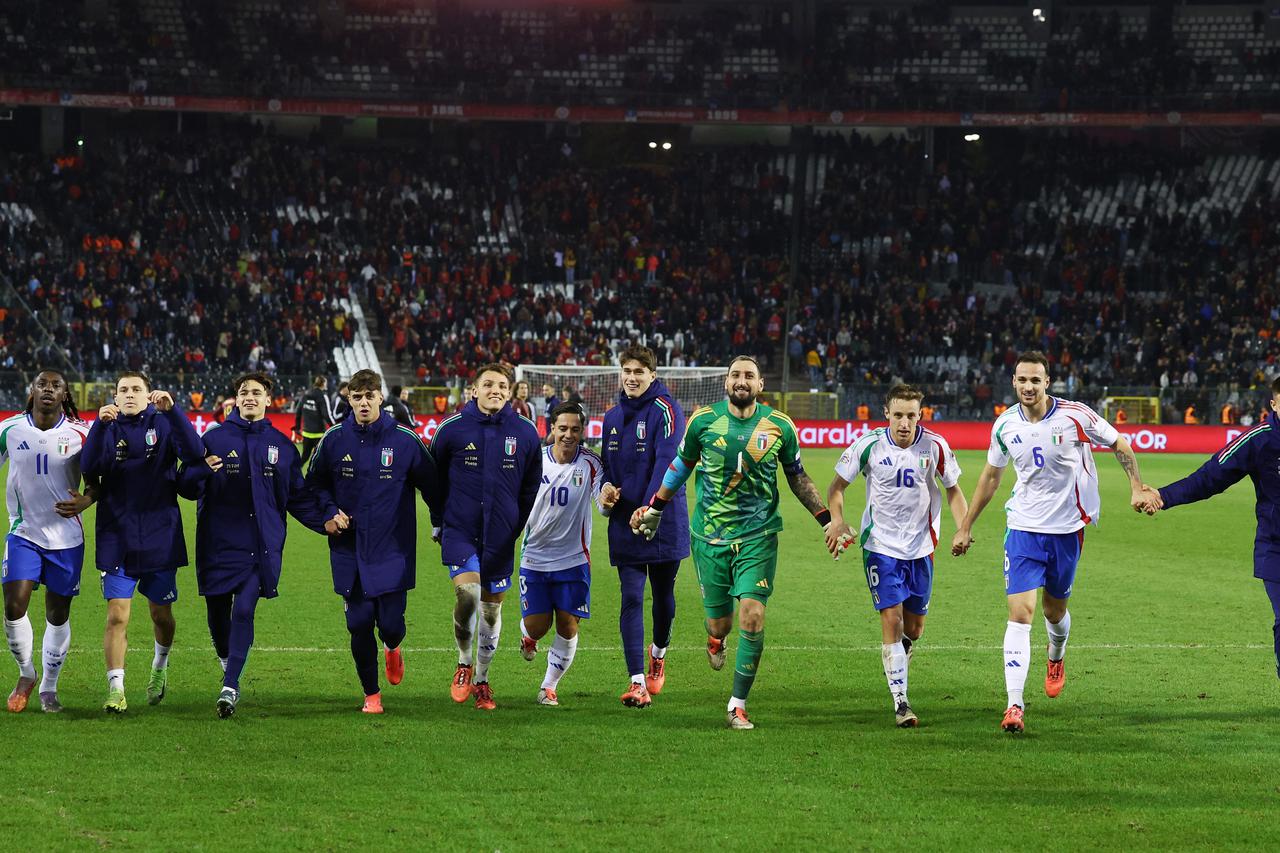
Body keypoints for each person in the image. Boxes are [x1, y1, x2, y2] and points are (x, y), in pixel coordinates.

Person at [631, 355, 836, 730]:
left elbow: (798, 477)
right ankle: (715, 640)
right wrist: (656, 507)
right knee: (719, 624)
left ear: (760, 385)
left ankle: (737, 703)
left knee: (753, 616)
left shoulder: (779, 427)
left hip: (758, 536)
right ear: (726, 383)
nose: (742, 381)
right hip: (710, 538)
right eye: (736, 375)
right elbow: (681, 466)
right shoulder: (704, 421)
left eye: (749, 376)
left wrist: (826, 519)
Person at [950, 351, 1148, 734]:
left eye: (1035, 380)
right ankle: (1014, 704)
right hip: (1023, 528)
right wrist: (965, 525)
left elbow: (1120, 444)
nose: (1028, 386)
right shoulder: (1005, 424)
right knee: (1020, 614)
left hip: (1067, 530)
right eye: (1022, 380)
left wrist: (1136, 487)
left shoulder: (1076, 415)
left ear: (1047, 382)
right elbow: (991, 477)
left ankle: (1055, 655)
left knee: (1053, 612)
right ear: (1013, 382)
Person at [177, 372, 341, 717]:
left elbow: (298, 497)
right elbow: (185, 486)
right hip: (218, 542)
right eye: (243, 392)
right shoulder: (214, 439)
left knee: (245, 609)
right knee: (218, 615)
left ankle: (230, 685)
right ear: (236, 400)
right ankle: (228, 661)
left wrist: (324, 522)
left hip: (261, 545)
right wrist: (201, 470)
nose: (249, 397)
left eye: (256, 392)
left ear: (269, 400)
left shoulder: (282, 446)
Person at [825, 384, 967, 728]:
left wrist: (963, 527)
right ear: (886, 413)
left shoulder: (935, 446)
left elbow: (954, 491)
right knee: (891, 618)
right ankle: (901, 701)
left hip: (921, 548)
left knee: (914, 629)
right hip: (880, 547)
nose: (905, 423)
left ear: (921, 415)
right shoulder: (869, 445)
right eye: (898, 415)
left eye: (911, 415)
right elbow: (836, 488)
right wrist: (838, 520)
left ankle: (904, 647)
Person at [305, 369, 438, 713]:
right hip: (349, 549)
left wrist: (441, 524)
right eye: (356, 397)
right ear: (348, 399)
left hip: (393, 549)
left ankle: (393, 648)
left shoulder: (406, 440)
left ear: (381, 397)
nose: (363, 402)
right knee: (358, 623)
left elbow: (434, 486)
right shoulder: (334, 439)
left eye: (369, 396)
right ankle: (371, 693)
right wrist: (329, 511)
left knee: (391, 626)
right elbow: (314, 484)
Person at [1135, 375, 1280, 680]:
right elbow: (1210, 477)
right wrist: (1163, 496)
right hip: (1276, 547)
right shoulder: (1258, 440)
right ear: (1274, 404)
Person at [82, 371, 208, 713]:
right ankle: (116, 689)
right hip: (117, 535)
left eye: (137, 389)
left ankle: (159, 666)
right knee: (116, 616)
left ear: (149, 394)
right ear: (116, 396)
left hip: (159, 536)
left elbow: (196, 453)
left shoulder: (163, 423)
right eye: (123, 390)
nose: (129, 394)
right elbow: (89, 467)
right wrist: (98, 427)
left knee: (161, 616)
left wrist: (173, 412)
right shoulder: (108, 427)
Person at [429, 363, 541, 710]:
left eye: (502, 385)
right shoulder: (451, 430)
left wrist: (515, 525)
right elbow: (434, 482)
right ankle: (464, 662)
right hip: (460, 529)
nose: (496, 389)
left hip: (501, 535)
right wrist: (439, 521)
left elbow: (530, 487)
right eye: (488, 384)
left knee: (491, 612)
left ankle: (482, 680)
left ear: (510, 392)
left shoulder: (524, 432)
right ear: (473, 390)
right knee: (468, 594)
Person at [599, 344, 690, 708]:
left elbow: (668, 461)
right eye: (627, 370)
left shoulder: (667, 410)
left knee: (664, 600)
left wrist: (651, 507)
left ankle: (659, 652)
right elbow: (606, 465)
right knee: (632, 596)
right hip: (625, 521)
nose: (632, 377)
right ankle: (636, 681)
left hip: (663, 519)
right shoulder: (610, 417)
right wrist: (605, 488)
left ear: (653, 375)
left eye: (640, 371)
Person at [2, 370, 95, 713]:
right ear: (32, 390)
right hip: (23, 533)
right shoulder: (9, 429)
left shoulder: (81, 433)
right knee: (14, 607)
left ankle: (49, 688)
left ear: (64, 394)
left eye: (56, 386)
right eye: (42, 384)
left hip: (67, 538)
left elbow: (100, 481)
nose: (48, 390)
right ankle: (26, 674)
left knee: (57, 614)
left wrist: (87, 500)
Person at [517, 402, 620, 705]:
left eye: (575, 429)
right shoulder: (535, 460)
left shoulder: (591, 463)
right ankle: (529, 636)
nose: (568, 435)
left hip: (574, 559)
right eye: (562, 428)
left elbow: (601, 502)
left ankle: (549, 686)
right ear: (551, 429)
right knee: (538, 625)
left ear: (583, 431)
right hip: (534, 557)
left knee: (567, 624)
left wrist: (607, 500)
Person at [294, 375, 335, 466]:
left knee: (305, 457)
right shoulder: (322, 396)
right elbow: (327, 415)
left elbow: (298, 412)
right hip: (319, 434)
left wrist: (297, 427)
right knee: (322, 459)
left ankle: (292, 474)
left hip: (306, 433)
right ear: (323, 384)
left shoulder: (305, 394)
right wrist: (335, 427)